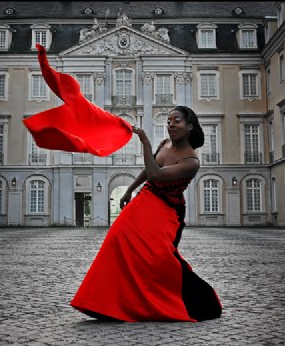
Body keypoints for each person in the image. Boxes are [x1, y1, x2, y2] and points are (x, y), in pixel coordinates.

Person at [71, 106, 223, 322]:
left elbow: (157, 173)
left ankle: (195, 299)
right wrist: (130, 189)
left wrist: (143, 140)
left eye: (176, 121)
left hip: (168, 209)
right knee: (117, 240)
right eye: (168, 121)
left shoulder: (192, 162)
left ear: (189, 126)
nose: (171, 125)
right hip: (145, 199)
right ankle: (103, 302)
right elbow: (150, 168)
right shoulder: (165, 144)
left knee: (158, 256)